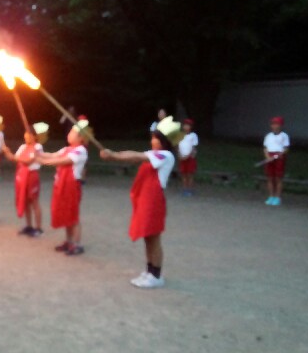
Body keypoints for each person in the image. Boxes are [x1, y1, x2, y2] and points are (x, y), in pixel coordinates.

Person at [100, 116, 182, 289]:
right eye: (152, 137)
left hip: (153, 202)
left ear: (165, 141)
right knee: (147, 237)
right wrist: (113, 155)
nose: (152, 141)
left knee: (154, 238)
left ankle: (156, 275)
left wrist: (114, 155)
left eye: (156, 138)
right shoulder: (154, 155)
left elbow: (135, 155)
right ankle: (149, 271)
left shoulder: (165, 156)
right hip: (146, 201)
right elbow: (133, 156)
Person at [36, 118, 90, 256]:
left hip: (72, 186)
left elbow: (63, 161)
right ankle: (69, 241)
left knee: (73, 215)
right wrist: (39, 152)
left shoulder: (80, 150)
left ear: (80, 137)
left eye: (72, 132)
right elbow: (53, 155)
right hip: (61, 184)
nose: (69, 133)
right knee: (66, 213)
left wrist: (43, 161)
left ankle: (77, 244)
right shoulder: (67, 148)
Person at [2, 122, 48, 237]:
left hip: (32, 175)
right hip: (22, 175)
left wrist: (15, 157)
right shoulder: (23, 147)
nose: (27, 136)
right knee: (26, 201)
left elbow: (28, 161)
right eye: (26, 133)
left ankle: (38, 228)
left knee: (34, 201)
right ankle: (29, 225)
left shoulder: (38, 147)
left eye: (30, 134)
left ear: (35, 136)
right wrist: (6, 152)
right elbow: (14, 159)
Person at [263, 116, 290, 206]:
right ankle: (271, 196)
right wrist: (267, 157)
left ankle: (277, 197)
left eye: (277, 124)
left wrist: (279, 155)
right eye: (273, 124)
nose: (275, 126)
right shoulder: (268, 136)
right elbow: (265, 148)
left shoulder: (284, 136)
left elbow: (286, 148)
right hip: (270, 157)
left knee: (278, 178)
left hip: (279, 158)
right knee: (270, 178)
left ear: (281, 125)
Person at [178, 118, 198, 196]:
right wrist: (179, 155)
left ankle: (190, 189)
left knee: (190, 174)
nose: (186, 127)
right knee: (183, 174)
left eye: (188, 125)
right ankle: (185, 189)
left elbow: (193, 148)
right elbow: (179, 146)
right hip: (182, 157)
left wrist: (188, 156)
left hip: (190, 158)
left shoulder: (193, 135)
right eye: (185, 125)